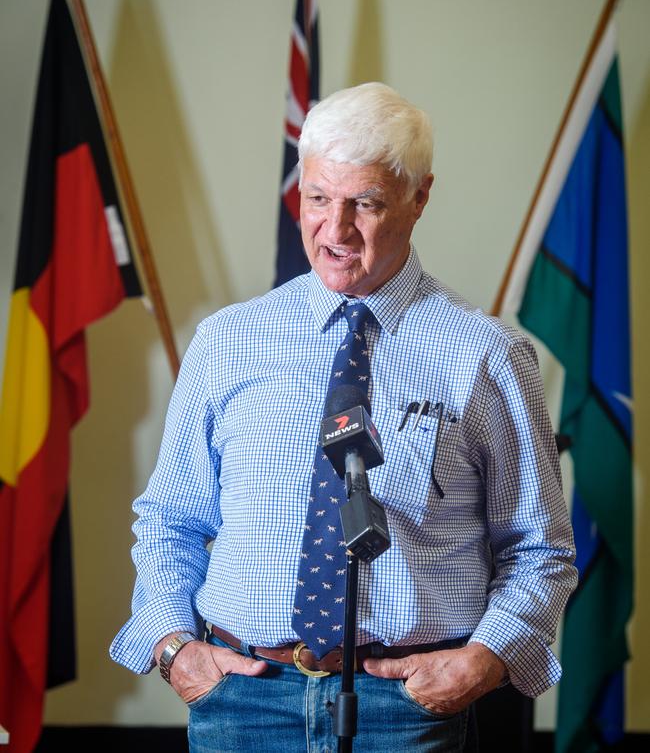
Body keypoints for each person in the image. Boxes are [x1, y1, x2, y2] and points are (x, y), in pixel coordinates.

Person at [110, 82, 577, 752]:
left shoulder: (487, 357)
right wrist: (175, 647)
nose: (334, 229)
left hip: (407, 709)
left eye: (366, 203)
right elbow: (169, 520)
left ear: (420, 198)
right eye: (318, 198)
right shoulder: (227, 341)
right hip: (242, 699)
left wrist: (484, 660)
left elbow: (539, 548)